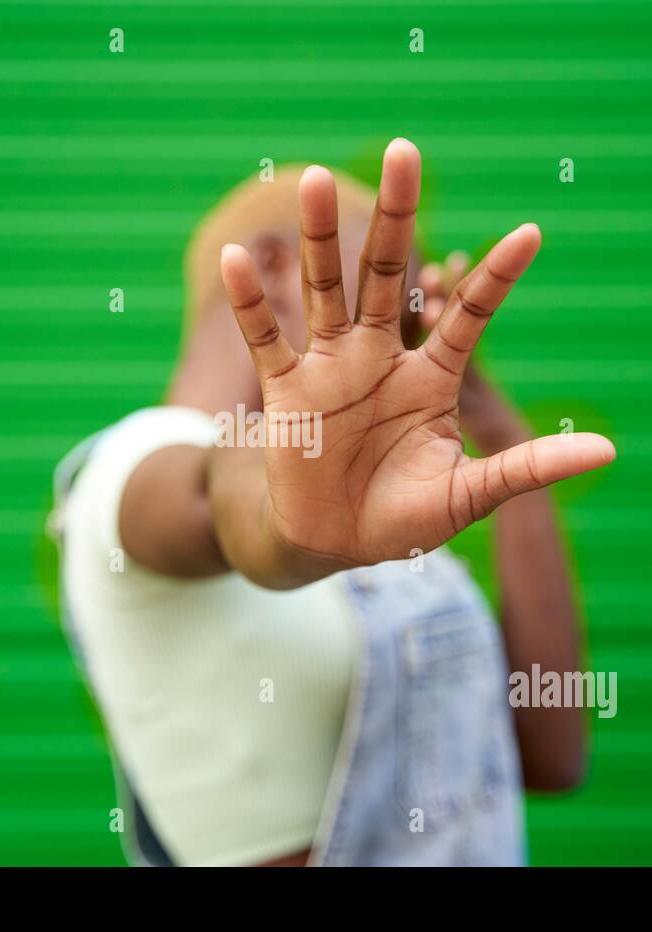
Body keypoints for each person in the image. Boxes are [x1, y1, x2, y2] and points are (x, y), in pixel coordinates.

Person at [51, 138, 616, 866]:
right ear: (279, 266)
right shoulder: (135, 470)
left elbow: (552, 755)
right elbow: (226, 506)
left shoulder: (366, 510)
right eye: (389, 290)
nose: (402, 332)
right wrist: (290, 527)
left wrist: (494, 423)